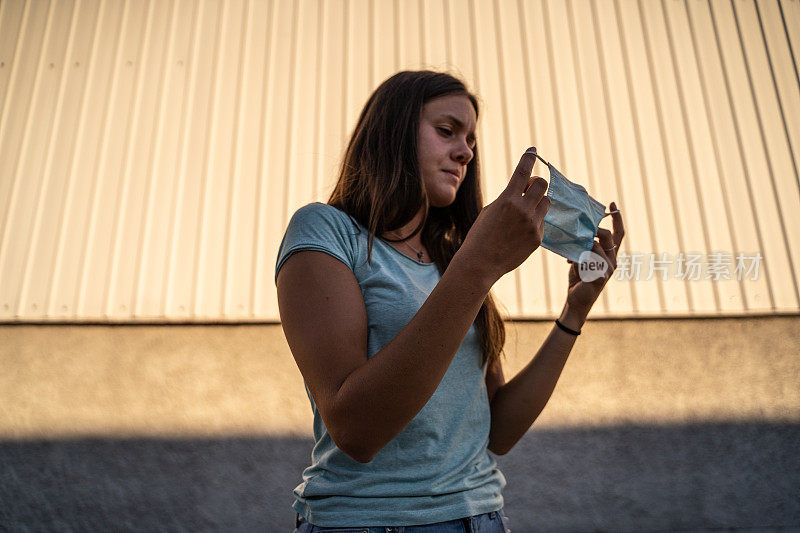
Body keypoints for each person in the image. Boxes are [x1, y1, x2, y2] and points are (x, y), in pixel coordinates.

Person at [275, 70, 624, 532]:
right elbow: (356, 431)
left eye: (471, 140)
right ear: (394, 134)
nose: (466, 152)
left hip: (482, 516)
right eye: (446, 131)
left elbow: (498, 431)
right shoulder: (327, 231)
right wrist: (478, 267)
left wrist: (573, 313)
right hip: (370, 522)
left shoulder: (452, 259)